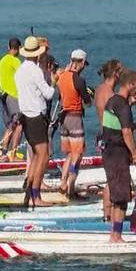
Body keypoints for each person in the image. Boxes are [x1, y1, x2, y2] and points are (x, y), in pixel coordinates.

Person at [14, 35, 61, 207]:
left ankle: (30, 193)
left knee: (35, 155)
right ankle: (36, 195)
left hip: (25, 115)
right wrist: (54, 82)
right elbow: (49, 94)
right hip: (36, 116)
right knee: (43, 155)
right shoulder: (35, 71)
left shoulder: (19, 70)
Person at [102, 68, 136, 242]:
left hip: (108, 151)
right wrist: (134, 155)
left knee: (118, 194)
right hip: (117, 153)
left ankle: (114, 233)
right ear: (131, 84)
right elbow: (126, 133)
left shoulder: (113, 101)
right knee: (121, 197)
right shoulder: (123, 106)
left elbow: (119, 124)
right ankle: (116, 236)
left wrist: (130, 105)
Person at [56, 49, 92, 198]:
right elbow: (87, 102)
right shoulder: (78, 79)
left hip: (63, 117)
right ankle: (70, 187)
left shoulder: (61, 76)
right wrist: (90, 95)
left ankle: (63, 182)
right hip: (75, 116)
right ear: (82, 62)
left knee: (69, 153)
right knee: (78, 154)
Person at [94, 59, 123, 220]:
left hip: (103, 136)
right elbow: (117, 118)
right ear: (115, 74)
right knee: (114, 178)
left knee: (110, 177)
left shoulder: (99, 90)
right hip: (112, 137)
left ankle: (107, 213)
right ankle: (109, 213)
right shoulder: (110, 95)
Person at [0, 37, 23, 162]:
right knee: (18, 124)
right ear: (18, 49)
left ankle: (3, 153)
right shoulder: (15, 61)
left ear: (8, 47)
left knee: (10, 126)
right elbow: (24, 75)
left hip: (4, 95)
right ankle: (13, 153)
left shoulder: (2, 60)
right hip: (13, 96)